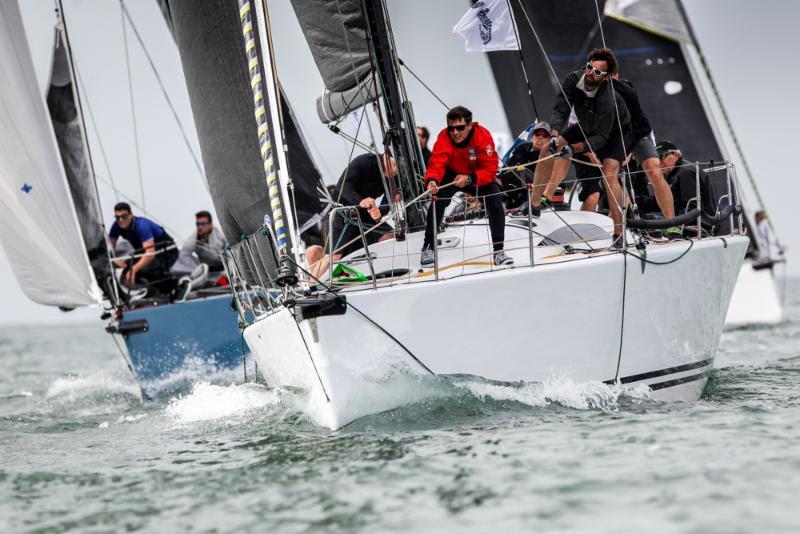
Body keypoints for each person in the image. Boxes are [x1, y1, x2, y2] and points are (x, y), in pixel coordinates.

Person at [531, 48, 631, 243]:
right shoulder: (573, 80)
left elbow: (601, 138)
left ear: (606, 77)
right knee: (548, 148)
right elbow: (561, 109)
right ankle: (534, 204)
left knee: (609, 173)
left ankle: (619, 234)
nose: (591, 73)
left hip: (615, 133)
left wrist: (573, 149)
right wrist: (554, 135)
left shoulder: (608, 98)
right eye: (589, 67)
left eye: (597, 72)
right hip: (586, 125)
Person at [421, 105, 512, 266]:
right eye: (451, 128)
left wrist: (470, 179)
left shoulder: (482, 136)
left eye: (460, 128)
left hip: (477, 175)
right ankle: (428, 246)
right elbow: (436, 162)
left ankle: (499, 251)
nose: (455, 132)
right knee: (438, 201)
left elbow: (491, 169)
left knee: (495, 201)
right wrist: (432, 180)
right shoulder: (444, 137)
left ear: (469, 126)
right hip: (452, 174)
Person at [306, 152, 397, 279]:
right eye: (394, 164)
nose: (396, 170)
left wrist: (379, 212)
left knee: (391, 236)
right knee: (335, 255)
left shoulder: (395, 176)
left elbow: (389, 199)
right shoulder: (365, 161)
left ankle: (386, 273)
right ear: (386, 158)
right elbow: (344, 185)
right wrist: (360, 201)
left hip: (364, 213)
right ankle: (311, 286)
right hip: (341, 210)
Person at [611, 73, 680, 237]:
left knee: (655, 172)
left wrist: (627, 152)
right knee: (610, 175)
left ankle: (671, 223)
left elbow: (638, 129)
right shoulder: (595, 98)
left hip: (639, 134)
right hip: (613, 137)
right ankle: (617, 228)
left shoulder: (628, 96)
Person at [108, 202, 178, 291]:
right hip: (145, 252)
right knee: (124, 273)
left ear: (131, 215)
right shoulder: (116, 226)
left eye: (124, 216)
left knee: (146, 270)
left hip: (166, 251)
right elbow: (109, 248)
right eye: (117, 217)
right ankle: (141, 295)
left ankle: (177, 286)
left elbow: (150, 254)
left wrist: (133, 269)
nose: (121, 220)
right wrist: (115, 260)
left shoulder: (141, 226)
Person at [500, 121, 550, 210]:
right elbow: (505, 169)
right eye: (537, 134)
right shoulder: (520, 150)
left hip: (536, 193)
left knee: (522, 172)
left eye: (545, 135)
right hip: (511, 191)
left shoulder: (550, 156)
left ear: (549, 140)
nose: (540, 137)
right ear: (532, 136)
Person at [657, 140, 699, 218]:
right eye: (656, 158)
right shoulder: (671, 173)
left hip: (698, 225)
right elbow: (664, 201)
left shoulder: (685, 172)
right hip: (683, 220)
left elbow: (692, 208)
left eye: (661, 156)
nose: (659, 162)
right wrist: (638, 201)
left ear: (675, 155)